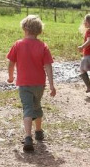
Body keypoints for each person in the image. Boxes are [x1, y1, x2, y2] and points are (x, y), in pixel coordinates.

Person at [7, 15, 56, 152]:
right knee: (37, 105)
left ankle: (28, 136)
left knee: (27, 108)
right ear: (39, 30)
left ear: (24, 28)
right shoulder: (43, 46)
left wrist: (11, 77)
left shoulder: (18, 44)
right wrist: (52, 85)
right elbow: (48, 66)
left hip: (24, 83)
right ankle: (38, 131)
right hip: (39, 83)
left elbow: (11, 63)